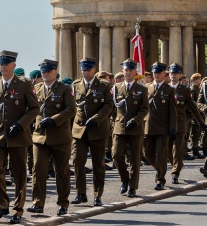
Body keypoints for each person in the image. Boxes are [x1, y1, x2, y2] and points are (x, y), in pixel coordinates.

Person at [0, 51, 39, 224]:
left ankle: (17, 209)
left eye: (6, 64)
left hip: (18, 135)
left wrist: (21, 124)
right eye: (1, 64)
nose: (3, 67)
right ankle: (2, 204)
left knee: (19, 173)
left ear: (13, 65)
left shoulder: (24, 84)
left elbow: (34, 109)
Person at [28, 59, 76, 215]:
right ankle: (37, 203)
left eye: (48, 71)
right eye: (43, 71)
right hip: (40, 137)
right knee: (38, 169)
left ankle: (63, 203)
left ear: (55, 71)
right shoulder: (36, 89)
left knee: (61, 171)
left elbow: (71, 110)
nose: (45, 73)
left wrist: (54, 120)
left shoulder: (64, 89)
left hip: (59, 137)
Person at [72, 57, 113, 205]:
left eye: (88, 69)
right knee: (77, 161)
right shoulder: (76, 85)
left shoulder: (104, 85)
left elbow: (109, 106)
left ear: (94, 70)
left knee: (98, 164)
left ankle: (97, 194)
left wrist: (96, 118)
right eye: (83, 69)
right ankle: (80, 193)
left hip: (98, 129)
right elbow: (73, 107)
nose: (85, 72)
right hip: (79, 130)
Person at [110, 60, 149, 197]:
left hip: (135, 128)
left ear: (134, 72)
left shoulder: (142, 89)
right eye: (125, 70)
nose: (127, 73)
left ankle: (133, 186)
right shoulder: (116, 88)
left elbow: (145, 109)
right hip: (119, 127)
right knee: (116, 154)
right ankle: (125, 179)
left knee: (135, 159)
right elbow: (112, 109)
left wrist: (136, 120)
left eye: (130, 70)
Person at [142, 62, 177, 190]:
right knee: (147, 153)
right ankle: (161, 168)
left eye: (159, 73)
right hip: (148, 126)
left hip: (163, 128)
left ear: (164, 74)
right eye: (154, 73)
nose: (156, 75)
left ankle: (160, 179)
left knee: (161, 154)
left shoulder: (169, 90)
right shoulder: (146, 88)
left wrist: (173, 128)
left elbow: (173, 112)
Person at [168, 63, 202, 184]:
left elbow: (193, 107)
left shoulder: (185, 89)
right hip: (167, 125)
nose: (173, 76)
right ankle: (177, 165)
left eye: (176, 73)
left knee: (177, 149)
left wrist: (201, 122)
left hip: (180, 124)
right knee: (168, 151)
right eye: (171, 73)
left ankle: (175, 173)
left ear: (180, 75)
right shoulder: (165, 88)